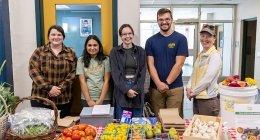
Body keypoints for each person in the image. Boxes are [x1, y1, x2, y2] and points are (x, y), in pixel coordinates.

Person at [145, 8, 189, 118]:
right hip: (156, 88)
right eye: (161, 19)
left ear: (172, 20)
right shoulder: (150, 41)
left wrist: (167, 83)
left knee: (174, 121)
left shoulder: (181, 39)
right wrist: (159, 84)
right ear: (157, 21)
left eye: (167, 19)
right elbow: (150, 65)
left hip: (175, 88)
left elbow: (179, 64)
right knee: (158, 121)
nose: (164, 22)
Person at [29, 25, 77, 118]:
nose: (56, 37)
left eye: (59, 35)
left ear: (63, 37)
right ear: (49, 36)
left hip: (63, 99)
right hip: (41, 99)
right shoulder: (39, 52)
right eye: (53, 34)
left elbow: (73, 73)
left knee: (61, 128)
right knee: (42, 129)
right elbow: (33, 71)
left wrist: (59, 89)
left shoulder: (71, 52)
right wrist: (49, 88)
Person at [110, 24, 146, 119]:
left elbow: (143, 73)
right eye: (124, 34)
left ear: (133, 35)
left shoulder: (141, 51)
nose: (127, 36)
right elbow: (115, 74)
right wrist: (126, 90)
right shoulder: (114, 52)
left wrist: (134, 89)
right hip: (121, 90)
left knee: (136, 125)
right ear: (121, 36)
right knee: (123, 125)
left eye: (129, 33)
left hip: (137, 90)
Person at [186, 24, 222, 116]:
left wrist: (193, 92)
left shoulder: (215, 56)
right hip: (198, 97)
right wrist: (188, 88)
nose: (204, 39)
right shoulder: (201, 54)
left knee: (208, 129)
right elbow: (194, 74)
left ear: (214, 39)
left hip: (208, 100)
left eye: (208, 36)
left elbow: (207, 79)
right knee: (198, 127)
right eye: (202, 36)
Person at [76, 35, 111, 107]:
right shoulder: (80, 60)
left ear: (99, 46)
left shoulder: (106, 59)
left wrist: (101, 99)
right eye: (89, 45)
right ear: (86, 47)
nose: (92, 48)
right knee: (89, 118)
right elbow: (82, 81)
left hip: (104, 97)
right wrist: (88, 100)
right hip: (86, 98)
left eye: (95, 45)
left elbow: (107, 80)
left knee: (103, 118)